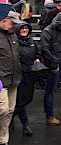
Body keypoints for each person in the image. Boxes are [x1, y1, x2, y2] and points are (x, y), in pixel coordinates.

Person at [10, 22, 41, 137]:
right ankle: (25, 125)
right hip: (19, 75)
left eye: (26, 28)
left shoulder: (32, 42)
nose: (24, 30)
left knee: (28, 98)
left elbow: (37, 53)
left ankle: (11, 117)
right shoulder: (15, 43)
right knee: (20, 101)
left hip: (30, 75)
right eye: (22, 28)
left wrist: (37, 58)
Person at [0, 11, 23, 145]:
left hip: (14, 78)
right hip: (1, 79)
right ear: (4, 20)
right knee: (2, 110)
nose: (14, 26)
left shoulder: (13, 35)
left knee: (9, 110)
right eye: (13, 23)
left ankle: (3, 139)